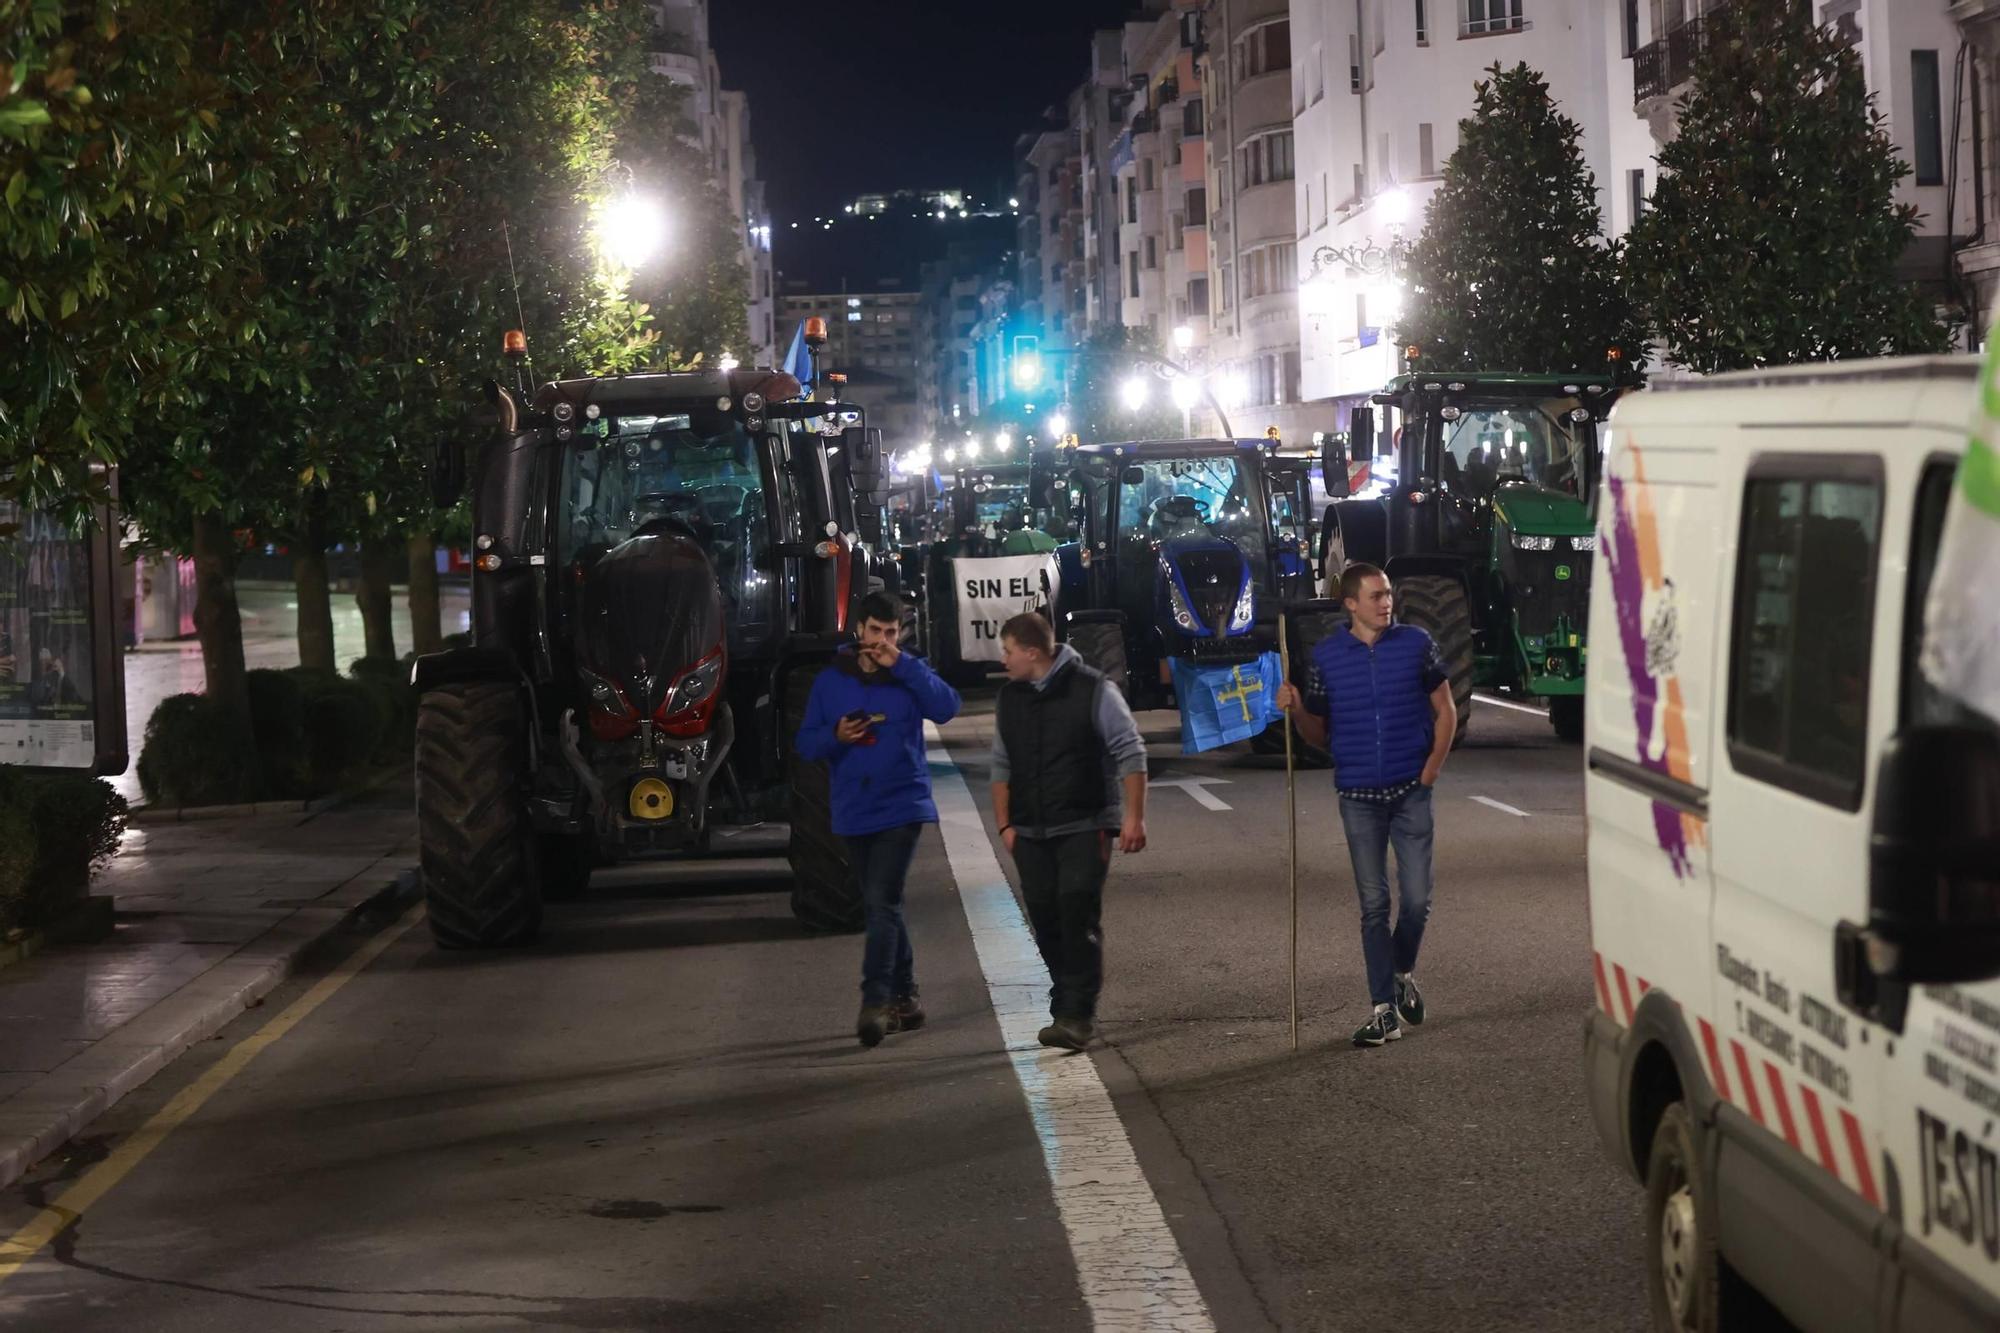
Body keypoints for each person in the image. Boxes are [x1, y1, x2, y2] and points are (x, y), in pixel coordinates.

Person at [1277, 562, 1457, 1049]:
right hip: (1357, 796)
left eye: (1388, 595)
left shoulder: (1416, 644)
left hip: (1410, 791)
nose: (1386, 602)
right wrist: (1295, 708)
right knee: (1374, 904)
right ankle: (1383, 1010)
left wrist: (1431, 770)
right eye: (1375, 596)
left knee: (1417, 902)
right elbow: (1318, 733)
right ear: (1351, 604)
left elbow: (1446, 709)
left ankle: (1400, 972)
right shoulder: (1327, 656)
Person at [795, 592, 962, 1048]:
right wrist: (835, 735)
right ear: (859, 630)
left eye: (891, 634)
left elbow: (948, 707)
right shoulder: (831, 682)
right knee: (880, 901)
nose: (882, 642)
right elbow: (806, 744)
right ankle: (906, 999)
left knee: (881, 903)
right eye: (875, 632)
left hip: (903, 806)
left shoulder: (909, 674)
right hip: (853, 809)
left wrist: (904, 665)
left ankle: (876, 1002)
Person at [990, 611, 1148, 1052]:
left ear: (1032, 652)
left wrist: (1134, 816)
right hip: (1030, 831)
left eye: (1007, 651)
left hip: (1086, 823)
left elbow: (1130, 751)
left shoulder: (1095, 689)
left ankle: (1076, 1014)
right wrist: (1005, 824)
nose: (1003, 660)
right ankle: (1065, 1000)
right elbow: (1001, 765)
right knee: (1045, 917)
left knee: (1076, 914)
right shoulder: (1010, 697)